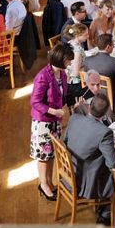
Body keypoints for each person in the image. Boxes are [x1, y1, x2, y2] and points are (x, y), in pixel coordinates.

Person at [63, 94, 115, 225]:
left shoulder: (74, 118)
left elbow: (65, 140)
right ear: (104, 114)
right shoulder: (104, 132)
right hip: (87, 182)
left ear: (89, 107)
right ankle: (106, 213)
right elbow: (112, 164)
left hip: (70, 172)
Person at [30, 45, 73, 202]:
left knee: (52, 153)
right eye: (68, 60)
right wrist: (54, 111)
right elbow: (35, 102)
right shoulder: (43, 76)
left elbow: (63, 94)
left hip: (55, 120)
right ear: (60, 59)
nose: (70, 63)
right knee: (43, 155)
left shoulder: (61, 73)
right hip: (43, 122)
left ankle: (49, 181)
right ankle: (43, 184)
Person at [84, 33, 115, 113]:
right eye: (113, 45)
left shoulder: (87, 60)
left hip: (93, 94)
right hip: (111, 99)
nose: (113, 47)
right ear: (108, 47)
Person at [64, 23, 89, 104]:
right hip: (75, 85)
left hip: (67, 79)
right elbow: (75, 73)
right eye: (85, 35)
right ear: (78, 36)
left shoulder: (70, 43)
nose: (88, 36)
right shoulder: (77, 51)